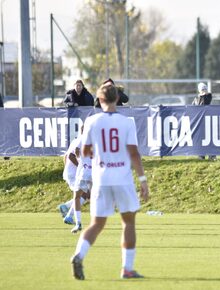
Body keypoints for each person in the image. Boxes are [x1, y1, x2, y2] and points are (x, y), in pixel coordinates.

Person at [70, 83, 149, 280]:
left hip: (101, 178)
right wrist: (143, 180)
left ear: (100, 99)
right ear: (117, 99)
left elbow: (85, 151)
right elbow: (134, 153)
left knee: (96, 223)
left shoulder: (92, 121)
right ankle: (127, 268)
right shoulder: (126, 122)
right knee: (128, 222)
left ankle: (79, 255)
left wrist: (99, 152)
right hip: (122, 178)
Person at [59, 134, 90, 226]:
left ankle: (67, 209)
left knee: (85, 194)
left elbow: (66, 156)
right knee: (85, 194)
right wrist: (81, 167)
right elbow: (71, 156)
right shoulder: (83, 140)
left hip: (71, 172)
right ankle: (68, 212)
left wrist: (66, 170)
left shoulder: (76, 140)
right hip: (75, 173)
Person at [193, 82, 216, 161]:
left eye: (205, 89)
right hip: (200, 122)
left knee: (209, 139)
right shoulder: (196, 99)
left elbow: (206, 101)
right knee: (200, 139)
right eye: (202, 89)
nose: (204, 90)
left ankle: (212, 155)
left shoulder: (208, 96)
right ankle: (201, 155)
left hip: (208, 121)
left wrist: (203, 94)